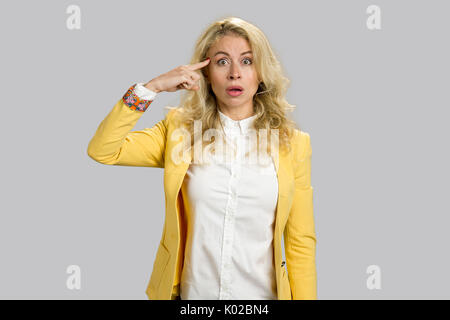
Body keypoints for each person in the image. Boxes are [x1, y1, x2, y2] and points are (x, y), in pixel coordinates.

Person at [87, 16, 317, 300]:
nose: (235, 73)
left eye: (247, 61)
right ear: (206, 74)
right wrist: (152, 88)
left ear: (261, 72)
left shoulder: (292, 144)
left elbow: (300, 242)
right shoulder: (180, 133)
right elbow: (104, 150)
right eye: (222, 62)